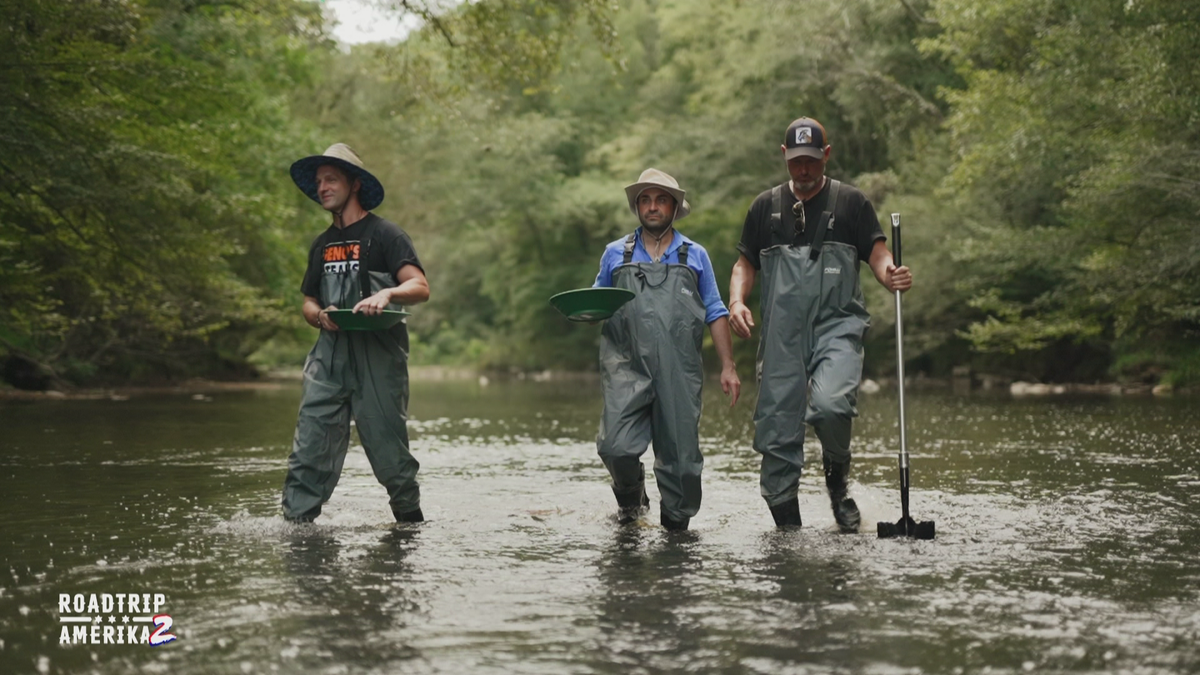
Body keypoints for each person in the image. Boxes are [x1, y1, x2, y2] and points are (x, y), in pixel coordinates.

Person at [728, 118, 912, 532]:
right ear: (784, 156)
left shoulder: (851, 203)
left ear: (826, 155)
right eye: (796, 162)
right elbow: (744, 264)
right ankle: (788, 538)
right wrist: (736, 300)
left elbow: (878, 255)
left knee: (831, 406)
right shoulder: (764, 207)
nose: (804, 170)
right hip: (780, 336)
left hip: (837, 327)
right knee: (776, 437)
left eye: (812, 160)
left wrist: (890, 276)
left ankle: (837, 479)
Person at [281, 143, 431, 523]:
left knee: (389, 451)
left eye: (331, 179)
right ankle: (296, 531)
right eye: (318, 182)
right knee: (309, 449)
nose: (323, 188)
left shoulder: (386, 235)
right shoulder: (322, 244)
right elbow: (308, 303)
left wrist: (388, 293)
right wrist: (319, 316)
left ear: (355, 184)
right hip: (328, 357)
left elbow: (420, 287)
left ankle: (409, 525)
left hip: (379, 357)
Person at [594, 168, 741, 531]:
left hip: (680, 370)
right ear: (637, 207)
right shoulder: (615, 254)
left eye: (661, 200)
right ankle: (632, 498)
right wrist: (581, 311)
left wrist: (728, 366)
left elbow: (716, 310)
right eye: (645, 200)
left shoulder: (696, 255)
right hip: (626, 367)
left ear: (675, 207)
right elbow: (597, 301)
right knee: (615, 447)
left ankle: (676, 537)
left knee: (681, 462)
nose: (653, 207)